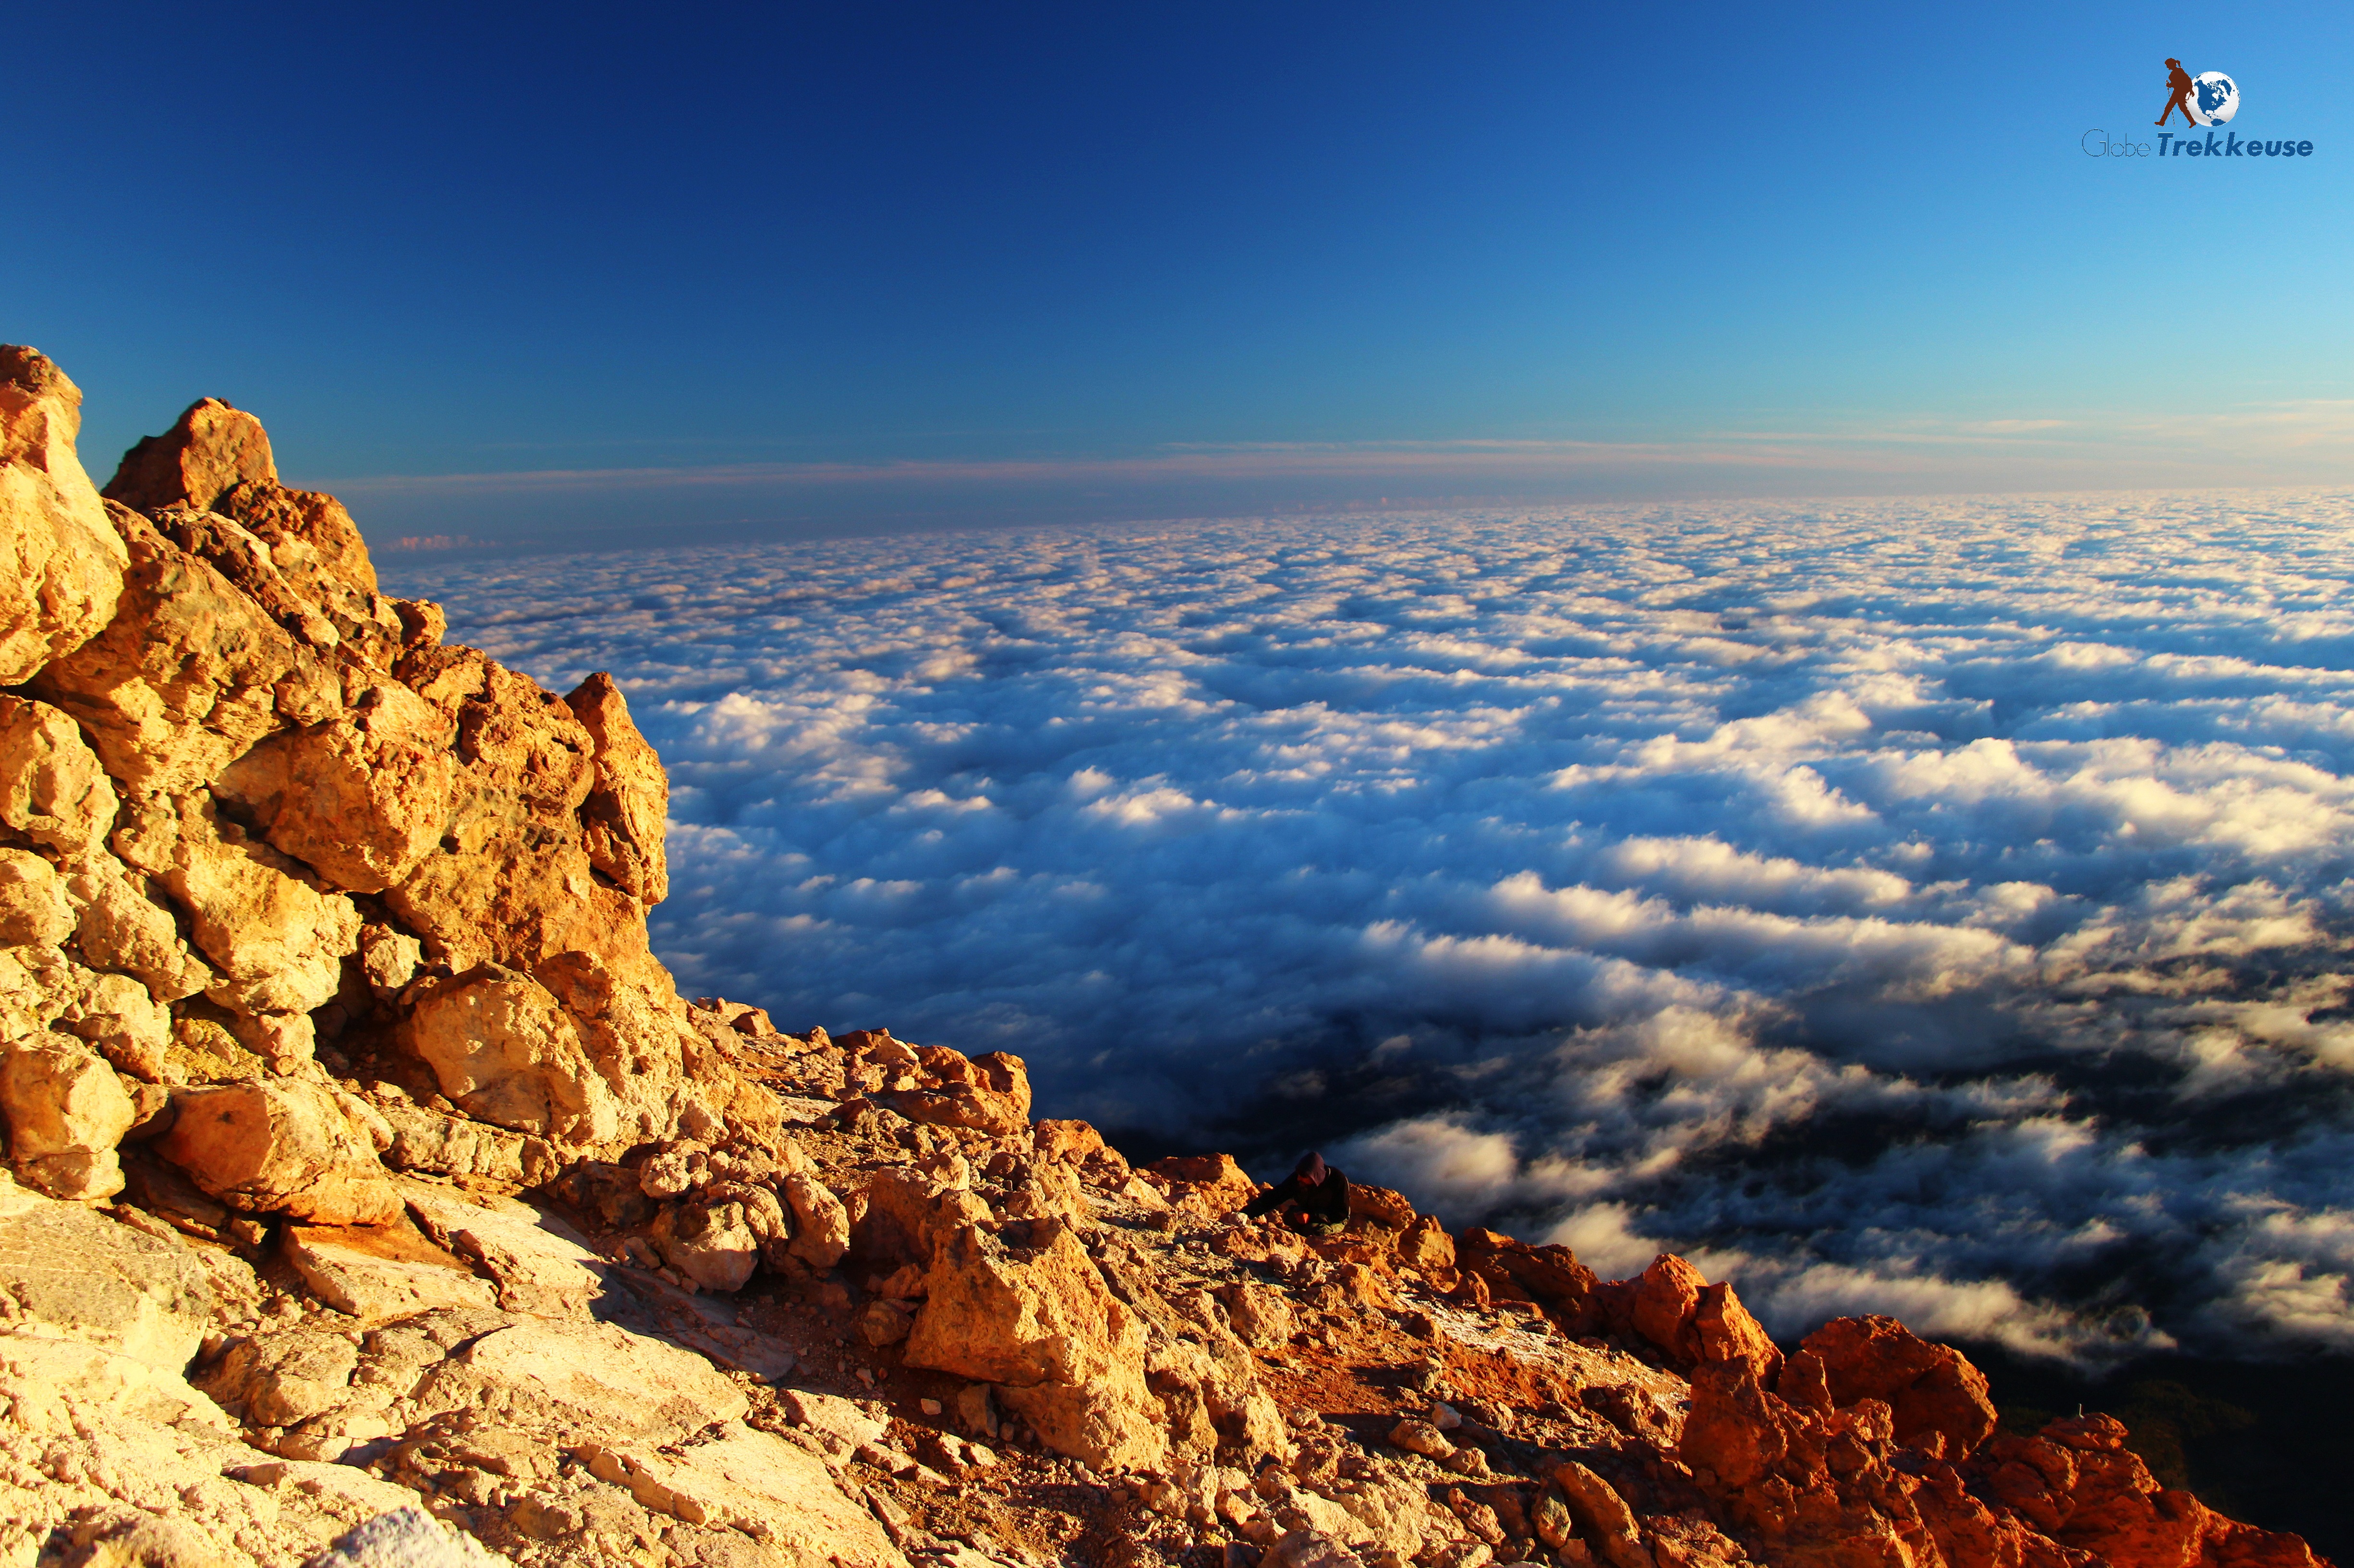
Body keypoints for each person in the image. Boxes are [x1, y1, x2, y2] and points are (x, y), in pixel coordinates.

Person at [1243, 1152, 1351, 1238]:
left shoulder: (1338, 1180)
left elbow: (1341, 1214)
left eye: (1303, 1177)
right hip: (1308, 1210)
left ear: (1314, 1176)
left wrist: (1311, 1217)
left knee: (1314, 1230)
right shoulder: (1300, 1177)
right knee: (1290, 1218)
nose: (1299, 1178)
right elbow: (1276, 1196)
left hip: (1334, 1218)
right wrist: (1245, 1214)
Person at [2157, 59, 2197, 126]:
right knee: (2180, 108)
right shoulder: (2178, 71)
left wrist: (2170, 85)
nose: (2167, 67)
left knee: (2171, 107)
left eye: (2168, 65)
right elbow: (2179, 82)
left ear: (2171, 65)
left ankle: (2162, 122)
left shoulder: (2178, 71)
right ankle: (2192, 122)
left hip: (2179, 92)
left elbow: (2180, 82)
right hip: (2178, 92)